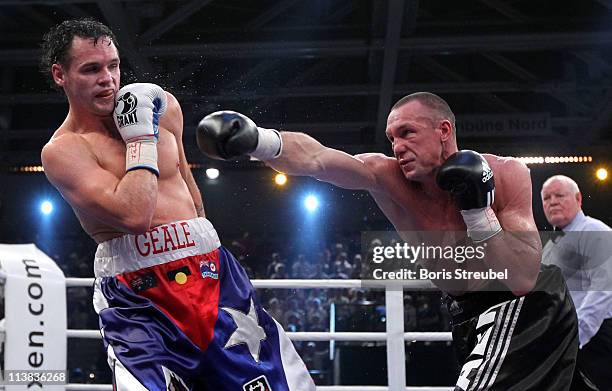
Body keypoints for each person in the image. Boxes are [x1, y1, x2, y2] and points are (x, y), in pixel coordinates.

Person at [196, 93, 579, 390]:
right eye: (392, 137)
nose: (397, 146)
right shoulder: (386, 176)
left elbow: (523, 278)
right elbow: (317, 158)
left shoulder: (505, 173)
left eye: (408, 133)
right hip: (467, 313)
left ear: (443, 130)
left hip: (522, 305)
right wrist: (259, 140)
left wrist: (478, 211)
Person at [39, 18, 314, 391]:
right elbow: (135, 215)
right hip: (137, 296)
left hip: (210, 273)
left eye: (113, 65)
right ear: (60, 74)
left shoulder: (163, 106)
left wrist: (204, 244)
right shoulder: (64, 151)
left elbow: (188, 188)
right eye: (91, 69)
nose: (108, 78)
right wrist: (139, 136)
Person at [541, 175, 612, 390]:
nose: (552, 201)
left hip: (594, 339)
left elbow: (602, 292)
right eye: (546, 198)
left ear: (578, 198)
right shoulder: (549, 248)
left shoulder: (596, 232)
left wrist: (573, 339)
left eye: (559, 195)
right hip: (563, 340)